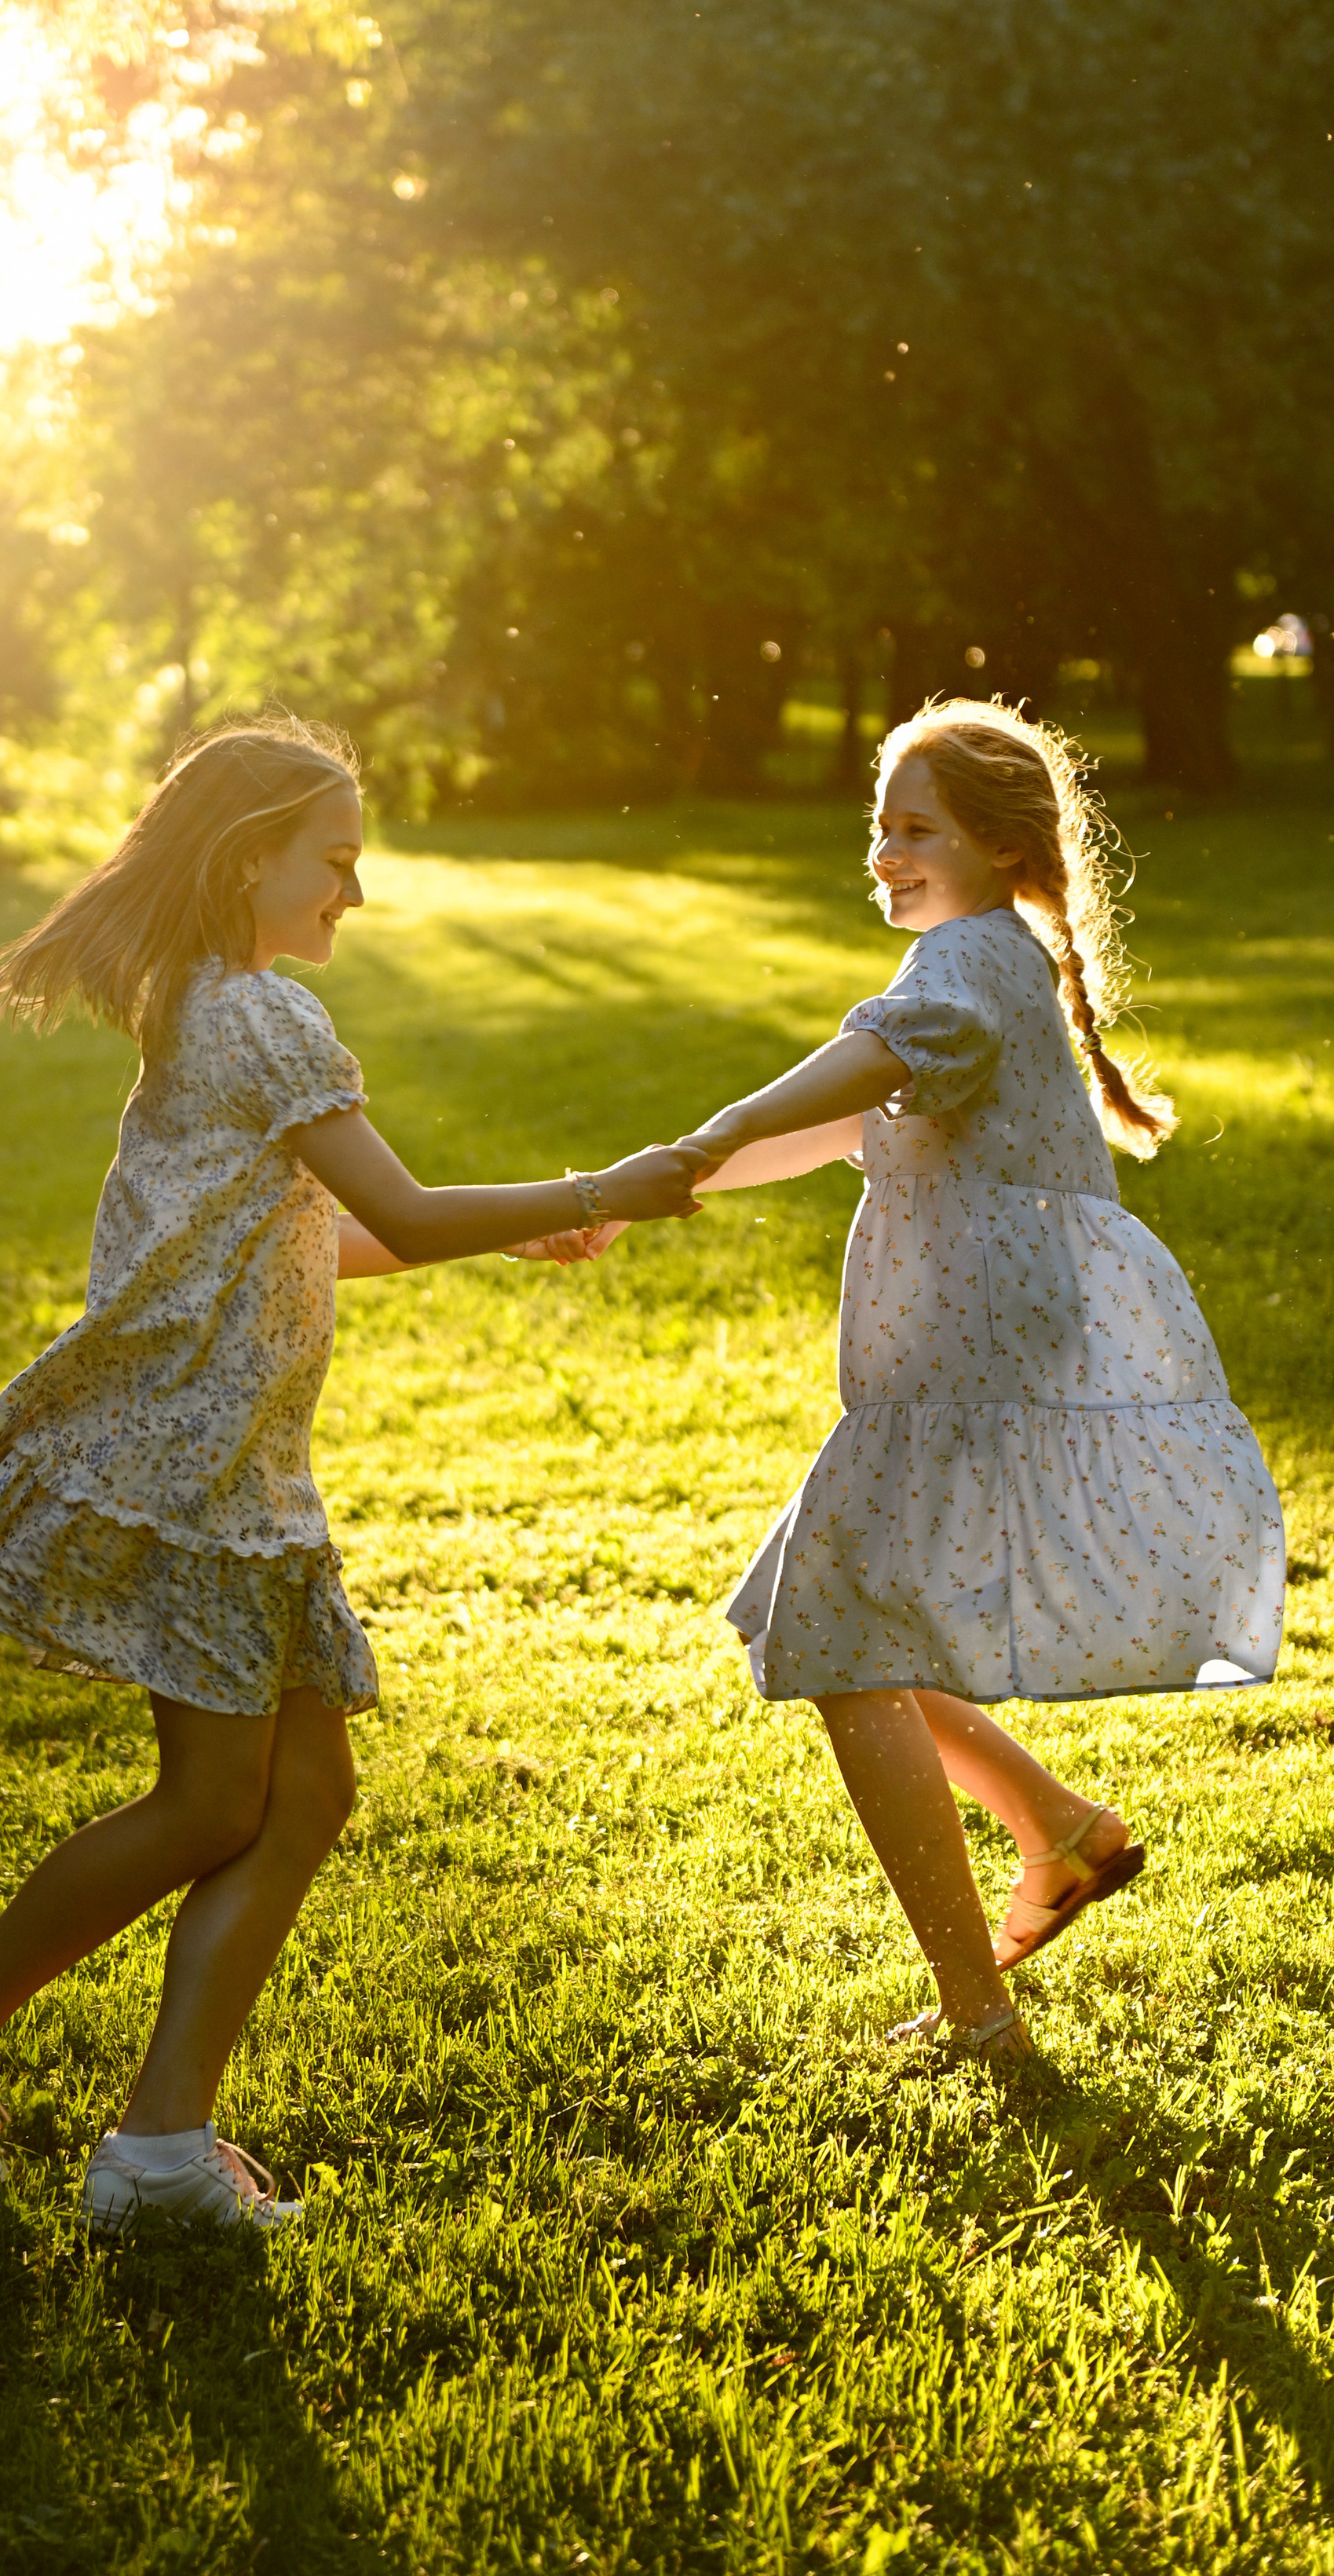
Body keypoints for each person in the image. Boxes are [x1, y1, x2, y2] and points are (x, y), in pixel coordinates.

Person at [0, 717, 702, 2220]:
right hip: (191, 1461)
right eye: (338, 860)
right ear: (251, 859)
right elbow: (413, 1211)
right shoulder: (262, 1021)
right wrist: (599, 1186)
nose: (353, 894)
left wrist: (519, 1226)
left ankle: (162, 2147)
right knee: (211, 1804)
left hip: (227, 1458)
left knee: (299, 1799)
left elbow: (305, 1232)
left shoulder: (205, 1007)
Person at [549, 700, 1285, 2063]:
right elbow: (845, 1115)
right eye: (877, 825)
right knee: (828, 1614)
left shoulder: (963, 962)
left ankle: (980, 2011)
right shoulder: (985, 962)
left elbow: (862, 1063)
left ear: (999, 847)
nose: (884, 851)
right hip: (977, 1341)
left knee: (844, 1635)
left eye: (917, 827)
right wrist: (668, 1180)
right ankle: (1059, 1833)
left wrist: (704, 1131)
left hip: (968, 1351)